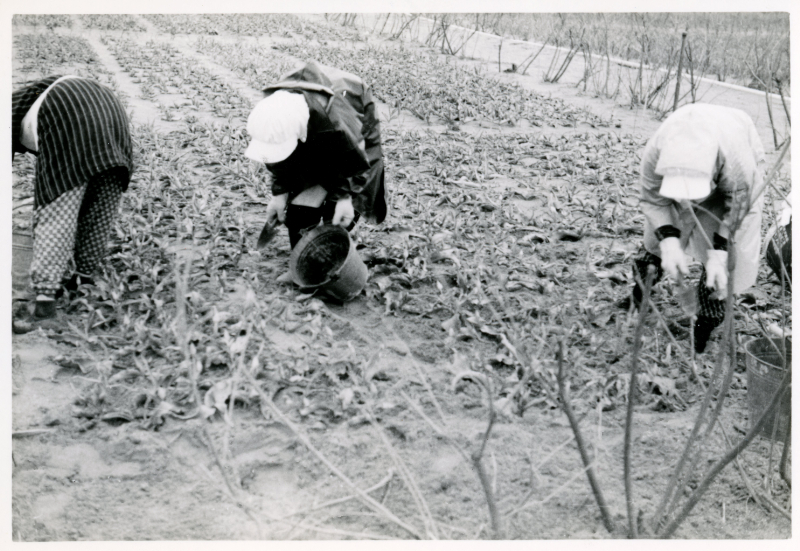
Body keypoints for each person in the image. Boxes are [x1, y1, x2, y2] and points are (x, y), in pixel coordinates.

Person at [624, 103, 766, 353]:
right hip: (700, 171)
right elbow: (654, 200)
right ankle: (638, 296)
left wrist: (720, 250)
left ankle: (703, 328)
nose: (689, 202)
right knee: (655, 242)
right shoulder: (656, 152)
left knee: (722, 267)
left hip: (731, 184)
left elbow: (740, 207)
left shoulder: (737, 162)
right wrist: (668, 241)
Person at [244, 62, 387, 271]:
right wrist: (279, 194)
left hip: (350, 107)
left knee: (346, 201)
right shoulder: (275, 114)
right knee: (301, 203)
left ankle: (333, 252)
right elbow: (280, 159)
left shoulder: (339, 121)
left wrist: (346, 199)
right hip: (314, 121)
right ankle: (301, 260)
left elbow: (355, 163)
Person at [12, 75, 134, 321]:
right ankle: (82, 280)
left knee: (57, 206)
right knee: (100, 208)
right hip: (111, 113)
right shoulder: (29, 94)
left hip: (68, 111)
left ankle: (44, 300)